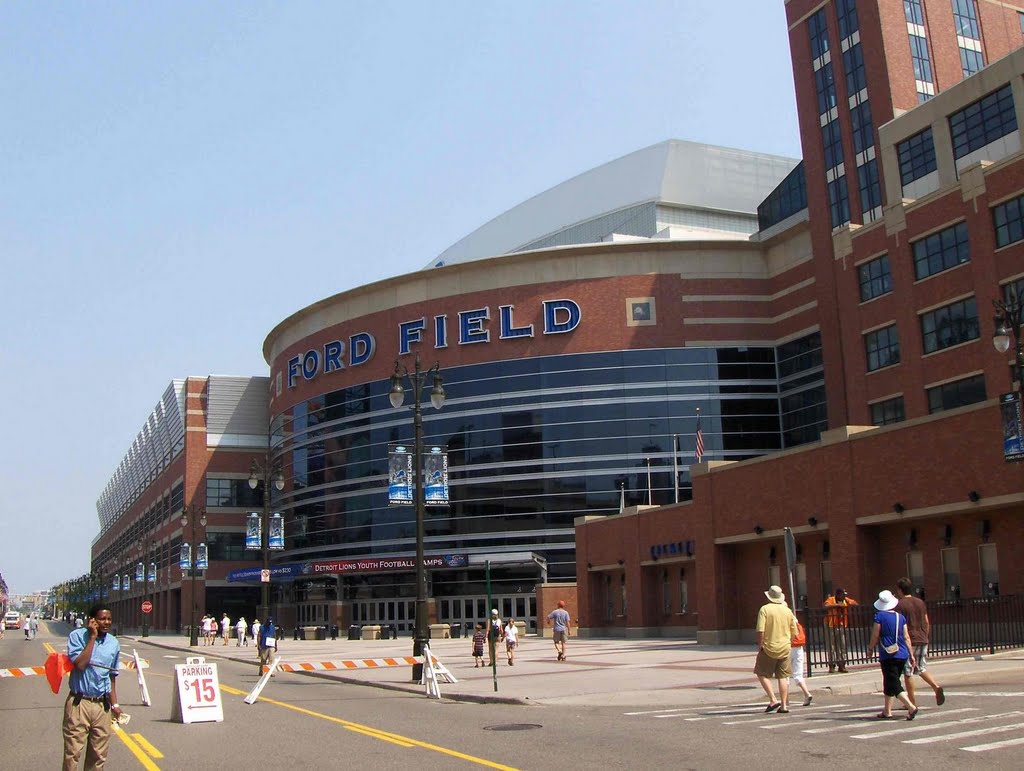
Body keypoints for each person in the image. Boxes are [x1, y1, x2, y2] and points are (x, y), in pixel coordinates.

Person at [62, 603, 122, 771]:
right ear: (93, 620)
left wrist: (115, 705)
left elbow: (112, 677)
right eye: (102, 619)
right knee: (72, 753)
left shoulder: (114, 643)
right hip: (79, 703)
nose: (106, 622)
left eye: (109, 619)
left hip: (102, 706)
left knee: (98, 756)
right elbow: (80, 665)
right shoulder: (77, 636)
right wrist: (92, 638)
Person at [868, 589, 918, 720]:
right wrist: (911, 654)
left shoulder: (879, 616)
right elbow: (906, 637)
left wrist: (870, 648)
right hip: (902, 653)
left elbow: (875, 634)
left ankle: (911, 707)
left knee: (893, 682)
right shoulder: (900, 617)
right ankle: (887, 710)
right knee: (889, 681)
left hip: (888, 654)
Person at [895, 577, 945, 707]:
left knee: (908, 672)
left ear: (900, 590)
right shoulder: (920, 602)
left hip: (910, 641)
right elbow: (926, 621)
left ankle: (911, 703)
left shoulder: (900, 605)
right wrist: (926, 635)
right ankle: (935, 686)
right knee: (921, 668)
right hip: (923, 638)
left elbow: (899, 624)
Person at [754, 585, 799, 714]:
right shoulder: (787, 610)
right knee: (783, 677)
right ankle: (784, 705)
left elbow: (760, 630)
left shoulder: (765, 610)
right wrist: (789, 644)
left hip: (769, 646)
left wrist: (760, 645)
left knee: (761, 672)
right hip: (785, 647)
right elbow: (793, 631)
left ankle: (773, 699)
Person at [823, 588, 857, 673]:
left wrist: (849, 602)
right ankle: (832, 665)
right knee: (831, 646)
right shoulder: (831, 599)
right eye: (843, 595)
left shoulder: (845, 600)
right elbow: (825, 606)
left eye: (845, 595)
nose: (844, 596)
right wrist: (837, 605)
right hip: (831, 625)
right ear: (838, 595)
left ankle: (842, 665)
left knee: (842, 645)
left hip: (841, 625)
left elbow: (856, 604)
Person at [789, 613, 813, 707]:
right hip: (799, 648)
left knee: (785, 674)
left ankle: (785, 700)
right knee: (798, 674)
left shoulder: (783, 617)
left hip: (788, 647)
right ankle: (807, 693)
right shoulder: (795, 619)